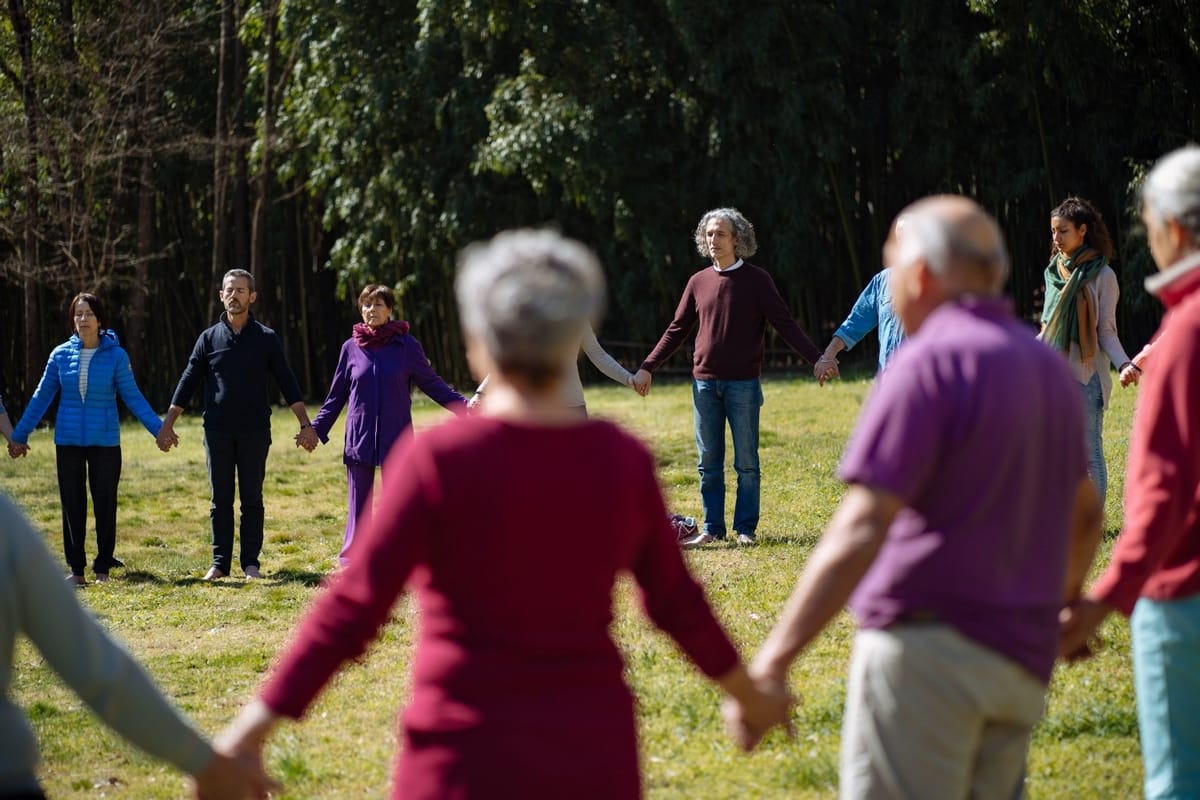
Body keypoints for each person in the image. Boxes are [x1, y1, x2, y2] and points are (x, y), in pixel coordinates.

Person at [213, 229, 790, 799]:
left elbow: (353, 608)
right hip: (591, 755)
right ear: (575, 332)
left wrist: (251, 729)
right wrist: (747, 690)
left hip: (459, 763)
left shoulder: (436, 462)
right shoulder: (620, 461)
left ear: (478, 344)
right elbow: (676, 602)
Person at [730, 197, 1104, 797]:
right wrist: (1064, 606)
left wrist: (773, 661)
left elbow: (862, 527)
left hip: (928, 658)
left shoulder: (925, 362)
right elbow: (1085, 513)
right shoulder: (1045, 369)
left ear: (922, 273)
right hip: (1019, 659)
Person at [1059, 145, 1200, 800]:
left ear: (1172, 227)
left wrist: (1103, 600)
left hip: (1184, 595)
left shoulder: (1189, 330)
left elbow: (1167, 489)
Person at [0, 490, 271, 799]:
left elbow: (99, 672)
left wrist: (205, 762)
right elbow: (98, 671)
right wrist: (204, 763)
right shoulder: (5, 524)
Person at [631, 208, 822, 547]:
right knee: (708, 462)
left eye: (720, 233)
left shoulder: (758, 280)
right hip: (704, 384)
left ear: (738, 239)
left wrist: (816, 358)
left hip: (743, 384)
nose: (713, 240)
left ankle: (745, 529)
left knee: (747, 462)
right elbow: (677, 329)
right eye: (708, 234)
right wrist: (648, 365)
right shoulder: (697, 282)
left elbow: (785, 324)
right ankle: (712, 528)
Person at [7, 293, 173, 586]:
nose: (83, 319)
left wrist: (159, 430)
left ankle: (102, 568)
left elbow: (133, 397)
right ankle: (77, 570)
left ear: (100, 320)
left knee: (105, 504)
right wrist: (18, 436)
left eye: (89, 314)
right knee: (72, 506)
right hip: (68, 441)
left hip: (105, 442)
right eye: (78, 314)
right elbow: (41, 397)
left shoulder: (116, 356)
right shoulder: (60, 355)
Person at [158, 269, 313, 581]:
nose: (234, 295)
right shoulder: (208, 339)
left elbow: (286, 380)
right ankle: (219, 564)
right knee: (220, 500)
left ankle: (251, 564)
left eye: (241, 290)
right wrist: (167, 424)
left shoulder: (266, 338)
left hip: (255, 431)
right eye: (229, 290)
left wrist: (305, 425)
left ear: (252, 296)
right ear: (221, 295)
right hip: (217, 430)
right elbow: (188, 381)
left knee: (252, 499)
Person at [302, 284, 467, 566]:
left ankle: (400, 554)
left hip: (396, 433)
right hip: (360, 435)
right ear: (360, 310)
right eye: (367, 305)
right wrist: (316, 429)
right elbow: (336, 396)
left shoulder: (407, 346)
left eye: (379, 304)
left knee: (397, 500)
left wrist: (464, 408)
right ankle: (354, 557)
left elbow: (432, 384)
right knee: (359, 502)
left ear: (390, 310)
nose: (372, 310)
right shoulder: (350, 348)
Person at [1040, 196, 1140, 505]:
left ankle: (1093, 521)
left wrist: (1124, 363)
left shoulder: (1103, 276)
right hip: (1052, 374)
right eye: (1053, 231)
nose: (1056, 238)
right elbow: (1048, 327)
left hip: (1086, 376)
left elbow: (1106, 332)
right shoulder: (1053, 272)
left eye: (1063, 231)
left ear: (1083, 230)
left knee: (1089, 452)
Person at [469, 321, 646, 417]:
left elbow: (598, 355)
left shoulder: (577, 319)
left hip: (573, 406)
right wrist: (481, 393)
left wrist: (628, 379)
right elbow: (509, 361)